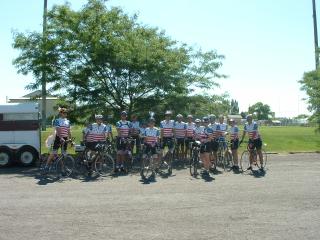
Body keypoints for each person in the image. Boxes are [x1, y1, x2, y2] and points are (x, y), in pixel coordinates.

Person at [44, 107, 72, 172]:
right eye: (64, 113)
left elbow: (68, 131)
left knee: (64, 155)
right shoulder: (57, 120)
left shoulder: (68, 121)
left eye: (66, 113)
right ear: (61, 113)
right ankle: (46, 166)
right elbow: (58, 131)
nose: (66, 114)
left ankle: (63, 169)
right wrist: (61, 138)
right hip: (58, 138)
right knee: (53, 153)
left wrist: (70, 139)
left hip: (65, 138)